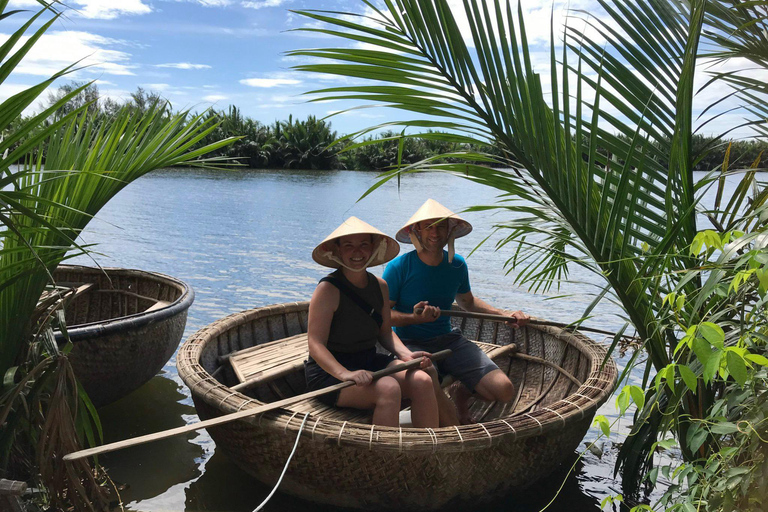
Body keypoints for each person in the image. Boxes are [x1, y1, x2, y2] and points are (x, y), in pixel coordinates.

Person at [383, 199, 529, 424]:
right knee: (429, 380)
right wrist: (413, 318)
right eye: (428, 226)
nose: (435, 232)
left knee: (504, 390)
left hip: (449, 341)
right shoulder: (399, 267)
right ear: (416, 231)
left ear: (450, 230)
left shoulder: (457, 265)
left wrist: (503, 313)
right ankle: (449, 416)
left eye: (441, 225)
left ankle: (460, 394)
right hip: (411, 344)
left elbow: (468, 302)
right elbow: (383, 317)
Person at [305, 216, 440, 428]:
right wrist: (345, 374)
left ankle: (425, 451)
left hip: (367, 361)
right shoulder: (327, 290)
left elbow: (385, 332)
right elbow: (315, 344)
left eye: (363, 245)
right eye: (348, 245)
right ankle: (385, 457)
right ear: (338, 250)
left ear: (373, 248)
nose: (357, 252)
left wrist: (406, 354)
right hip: (330, 374)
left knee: (422, 380)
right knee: (389, 388)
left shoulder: (380, 286)